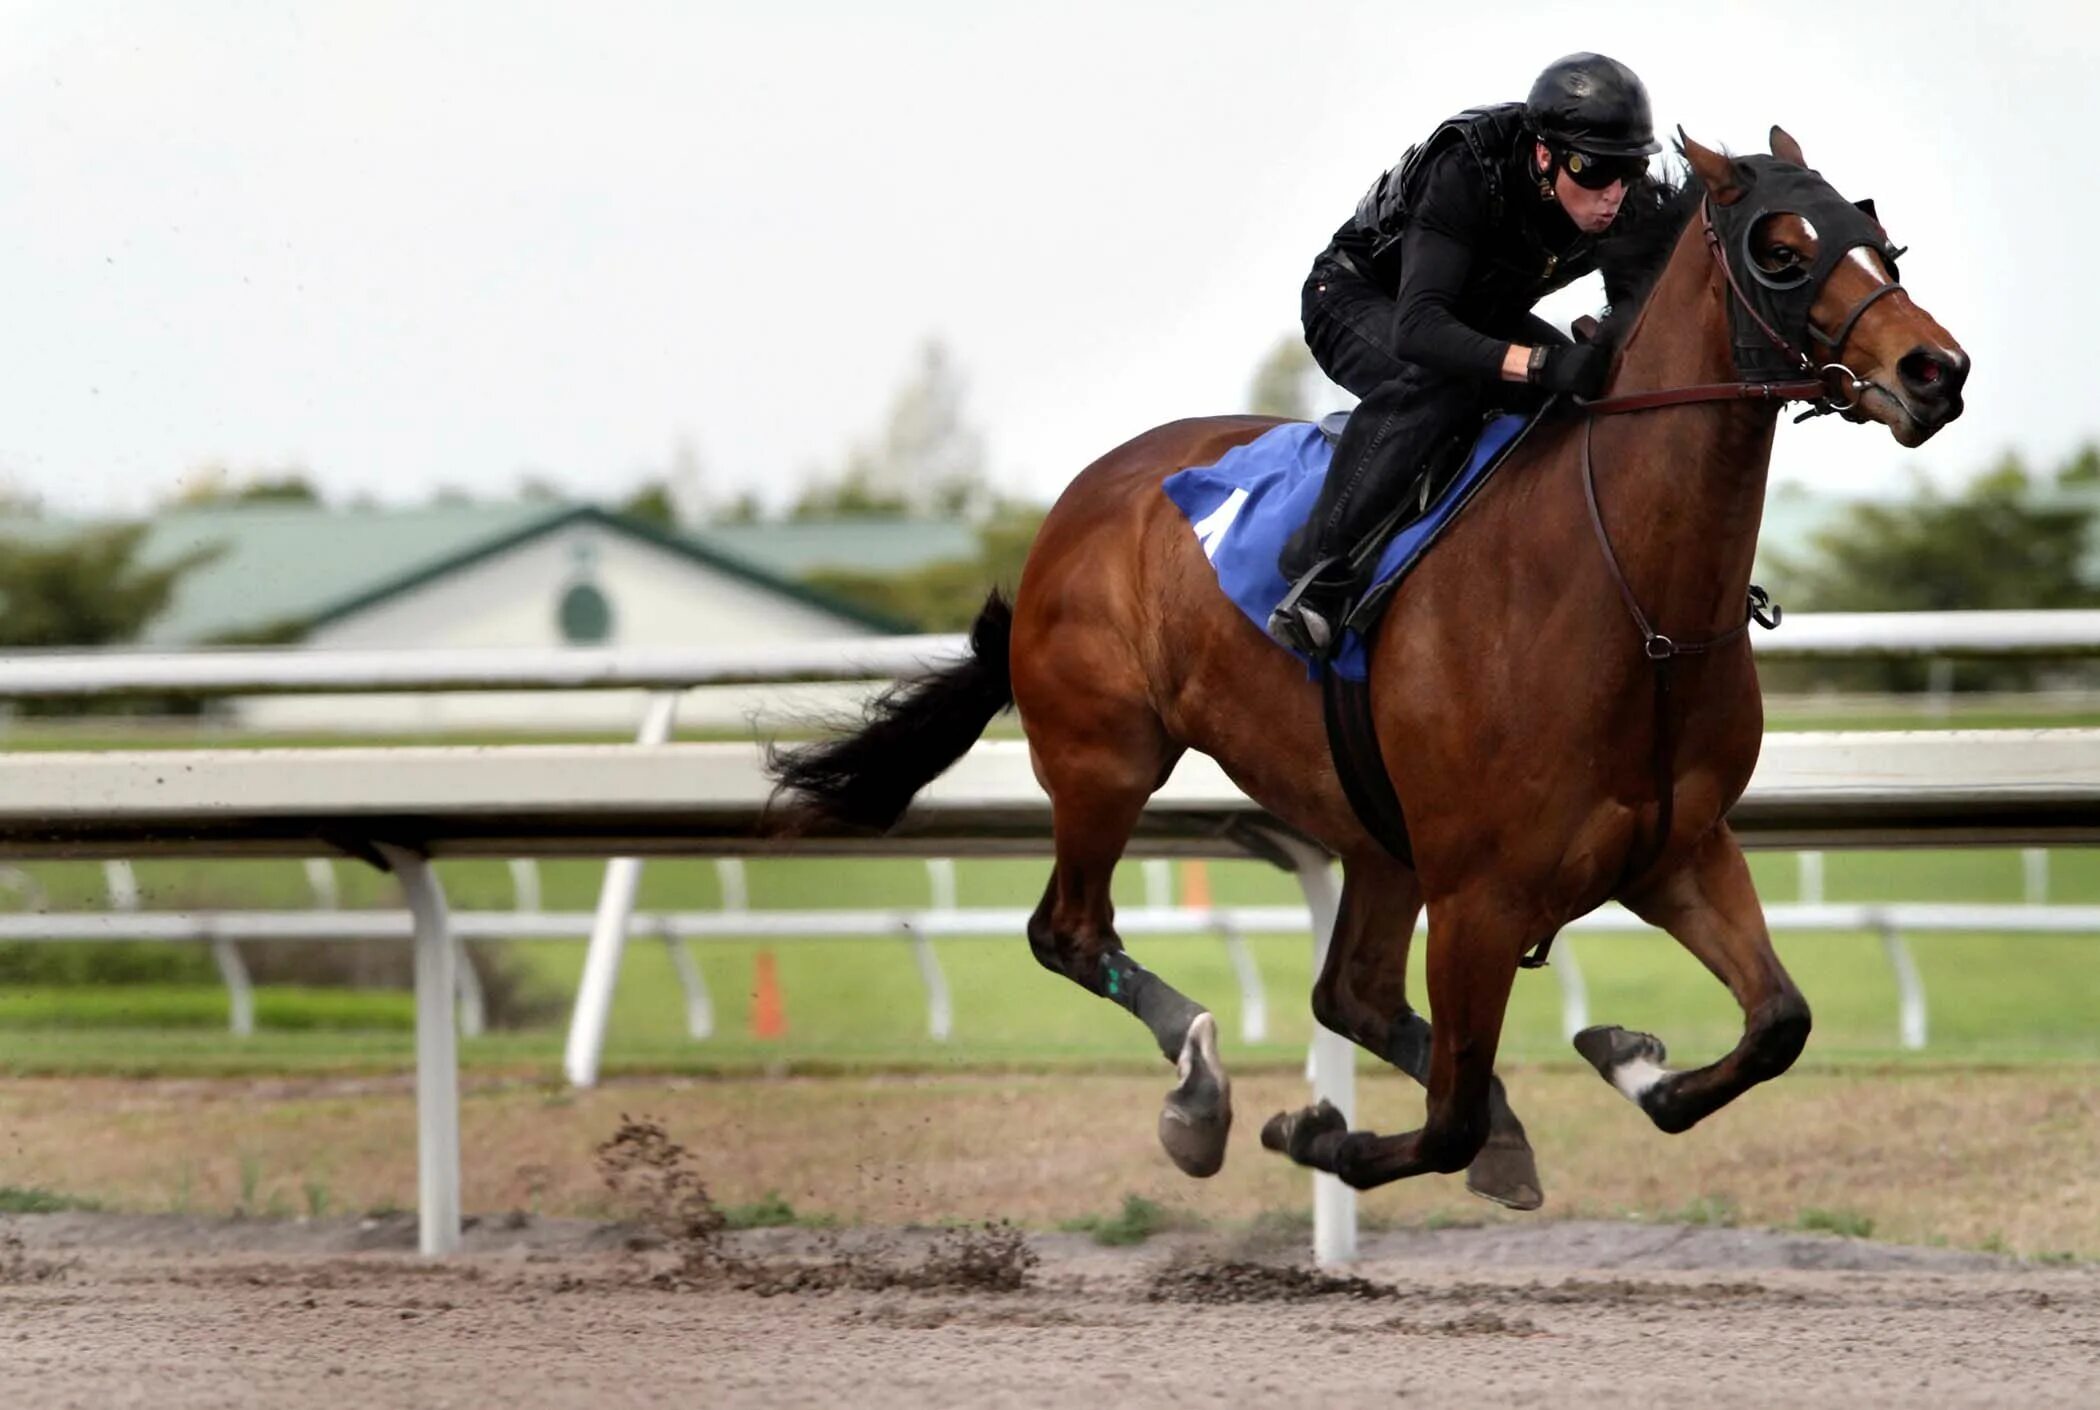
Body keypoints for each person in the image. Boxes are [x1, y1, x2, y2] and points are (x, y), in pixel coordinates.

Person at [1267, 52, 1661, 654]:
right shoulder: (1468, 167)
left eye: (1628, 172)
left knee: (1592, 396)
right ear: (1543, 154)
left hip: (1474, 312)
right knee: (1448, 381)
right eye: (1595, 172)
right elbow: (1421, 330)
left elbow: (1640, 312)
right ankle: (1319, 573)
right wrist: (1539, 363)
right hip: (1357, 299)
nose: (1612, 196)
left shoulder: (1617, 197)